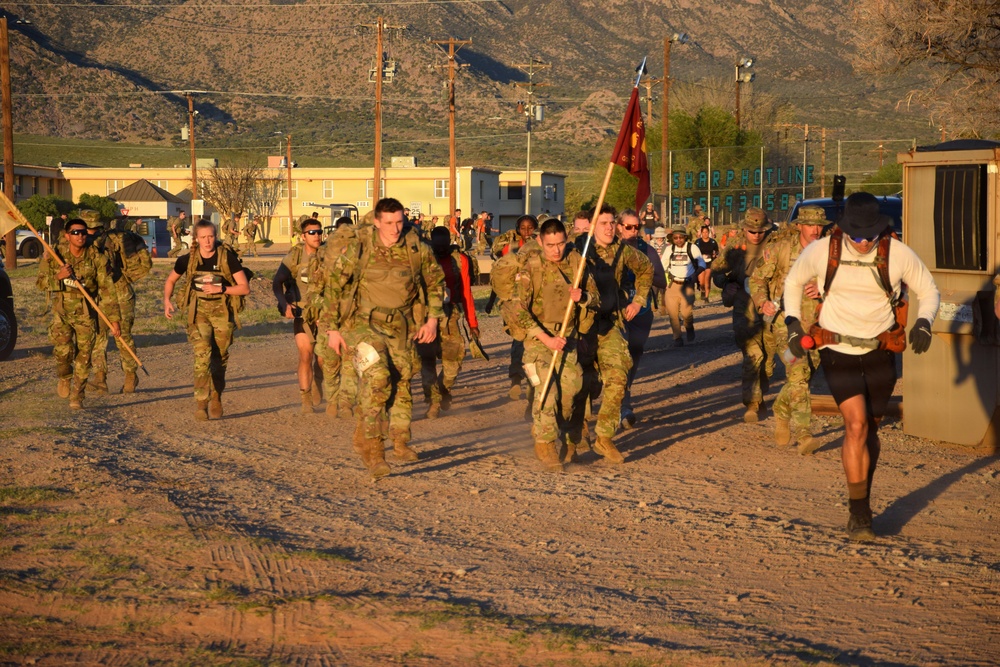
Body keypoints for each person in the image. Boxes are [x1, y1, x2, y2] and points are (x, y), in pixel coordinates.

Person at [783, 192, 939, 542]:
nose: (864, 242)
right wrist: (794, 322)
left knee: (870, 430)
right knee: (854, 426)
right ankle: (860, 514)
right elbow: (793, 282)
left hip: (881, 350)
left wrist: (924, 322)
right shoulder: (823, 250)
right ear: (845, 228)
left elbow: (928, 290)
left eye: (870, 235)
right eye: (857, 235)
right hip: (837, 348)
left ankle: (861, 494)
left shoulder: (897, 253)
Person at [320, 197, 445, 480]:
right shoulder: (360, 248)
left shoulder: (417, 249)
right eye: (388, 223)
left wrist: (433, 320)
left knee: (401, 383)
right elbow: (334, 287)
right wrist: (333, 330)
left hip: (402, 326)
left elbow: (436, 283)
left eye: (400, 222)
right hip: (363, 325)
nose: (395, 228)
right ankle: (375, 451)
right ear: (376, 222)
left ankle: (380, 434)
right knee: (378, 378)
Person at [512, 218, 598, 472]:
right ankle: (545, 444)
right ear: (540, 242)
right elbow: (517, 310)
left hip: (568, 341)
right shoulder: (531, 268)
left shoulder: (577, 264)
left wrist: (583, 297)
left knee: (570, 393)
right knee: (547, 394)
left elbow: (596, 300)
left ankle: (559, 433)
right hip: (539, 342)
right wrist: (546, 337)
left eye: (560, 243)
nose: (556, 250)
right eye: (550, 245)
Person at [567, 205, 652, 463]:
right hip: (580, 326)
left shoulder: (622, 250)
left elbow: (646, 269)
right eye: (602, 222)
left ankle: (604, 437)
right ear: (592, 226)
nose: (608, 227)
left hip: (609, 324)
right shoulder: (576, 251)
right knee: (580, 384)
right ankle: (574, 438)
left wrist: (639, 300)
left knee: (618, 377)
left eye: (611, 222)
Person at [750, 206, 827, 450]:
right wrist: (762, 302)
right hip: (786, 323)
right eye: (810, 225)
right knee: (799, 372)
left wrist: (824, 290)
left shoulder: (828, 252)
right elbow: (757, 278)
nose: (816, 230)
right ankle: (804, 433)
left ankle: (780, 409)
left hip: (817, 324)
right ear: (799, 226)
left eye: (819, 225)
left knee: (806, 373)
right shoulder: (780, 249)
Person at [163, 219, 251, 420]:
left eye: (211, 236)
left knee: (219, 359)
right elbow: (171, 280)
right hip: (198, 312)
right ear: (196, 239)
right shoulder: (188, 259)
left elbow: (244, 288)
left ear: (216, 236)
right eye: (203, 237)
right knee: (202, 354)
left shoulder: (227, 258)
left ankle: (216, 395)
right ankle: (201, 403)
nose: (207, 241)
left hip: (222, 313)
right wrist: (166, 300)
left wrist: (222, 288)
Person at [38, 217, 121, 409]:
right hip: (62, 313)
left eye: (83, 232)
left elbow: (108, 290)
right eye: (75, 232)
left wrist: (114, 320)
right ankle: (64, 376)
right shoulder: (56, 255)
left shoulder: (97, 258)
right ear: (67, 236)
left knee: (84, 356)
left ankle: (77, 395)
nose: (80, 236)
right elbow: (41, 283)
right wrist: (59, 277)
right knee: (63, 353)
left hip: (86, 314)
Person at [711, 207, 777, 422]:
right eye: (752, 231)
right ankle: (752, 403)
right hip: (744, 308)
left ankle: (759, 394)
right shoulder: (734, 247)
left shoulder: (776, 244)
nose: (756, 235)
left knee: (767, 361)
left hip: (769, 309)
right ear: (744, 229)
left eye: (760, 232)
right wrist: (726, 284)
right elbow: (717, 272)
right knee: (753, 355)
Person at [85, 210, 151, 395]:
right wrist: (127, 279)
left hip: (111, 293)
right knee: (109, 337)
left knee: (112, 337)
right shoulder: (112, 239)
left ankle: (120, 378)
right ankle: (107, 380)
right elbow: (145, 265)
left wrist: (125, 279)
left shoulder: (104, 242)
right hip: (108, 293)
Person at [419, 227, 480, 419]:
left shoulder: (460, 261)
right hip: (424, 315)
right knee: (427, 362)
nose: (441, 250)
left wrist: (472, 323)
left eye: (444, 246)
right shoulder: (422, 258)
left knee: (454, 361)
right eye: (437, 246)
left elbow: (466, 292)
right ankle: (433, 402)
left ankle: (443, 389)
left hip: (450, 315)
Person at [617, 209, 666, 429]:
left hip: (641, 312)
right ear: (619, 227)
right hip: (614, 311)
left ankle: (624, 401)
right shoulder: (609, 249)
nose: (634, 231)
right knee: (615, 357)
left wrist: (643, 273)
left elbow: (662, 280)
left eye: (637, 227)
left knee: (633, 357)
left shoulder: (645, 249)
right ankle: (617, 403)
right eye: (629, 227)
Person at [273, 217, 325, 413]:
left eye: (319, 231)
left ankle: (319, 381)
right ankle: (305, 399)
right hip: (302, 312)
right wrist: (284, 303)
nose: (317, 235)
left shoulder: (328, 255)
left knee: (322, 359)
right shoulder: (294, 257)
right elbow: (277, 282)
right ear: (303, 236)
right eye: (312, 232)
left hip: (324, 313)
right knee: (305, 354)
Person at [492, 214, 540, 403]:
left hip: (536, 302)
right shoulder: (512, 247)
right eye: (523, 228)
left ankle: (532, 385)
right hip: (516, 302)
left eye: (531, 228)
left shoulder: (541, 248)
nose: (527, 232)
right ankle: (516, 380)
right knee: (519, 342)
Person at [661, 225, 706, 346]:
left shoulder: (693, 248)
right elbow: (662, 265)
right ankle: (677, 338)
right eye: (676, 237)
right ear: (672, 239)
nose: (678, 240)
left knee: (687, 313)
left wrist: (695, 275)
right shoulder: (669, 250)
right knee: (672, 314)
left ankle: (689, 326)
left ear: (685, 237)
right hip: (672, 284)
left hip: (687, 285)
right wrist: (663, 281)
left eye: (681, 237)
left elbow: (702, 264)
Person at [693, 225, 720, 301]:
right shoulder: (698, 242)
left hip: (709, 262)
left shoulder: (713, 242)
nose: (705, 234)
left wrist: (715, 255)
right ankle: (702, 290)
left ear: (709, 233)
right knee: (701, 282)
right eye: (703, 232)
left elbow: (717, 252)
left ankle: (706, 297)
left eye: (706, 232)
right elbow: (694, 252)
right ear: (701, 233)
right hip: (700, 262)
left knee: (707, 279)